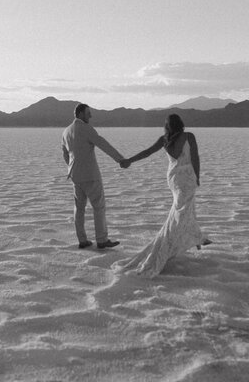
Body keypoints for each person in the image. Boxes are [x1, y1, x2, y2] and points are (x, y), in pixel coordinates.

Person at [116, 114, 212, 277]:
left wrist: (130, 160)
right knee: (181, 212)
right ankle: (168, 246)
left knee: (184, 209)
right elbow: (195, 157)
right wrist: (197, 176)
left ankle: (197, 237)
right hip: (187, 177)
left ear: (167, 126)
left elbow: (147, 152)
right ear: (180, 124)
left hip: (174, 178)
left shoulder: (164, 139)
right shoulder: (189, 136)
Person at [62, 103, 124, 249]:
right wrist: (120, 159)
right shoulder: (86, 128)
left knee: (79, 208)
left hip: (76, 176)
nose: (90, 116)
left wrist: (72, 169)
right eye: (88, 113)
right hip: (90, 175)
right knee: (99, 207)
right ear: (80, 113)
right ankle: (102, 240)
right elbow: (102, 144)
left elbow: (65, 154)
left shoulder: (66, 131)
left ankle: (82, 240)